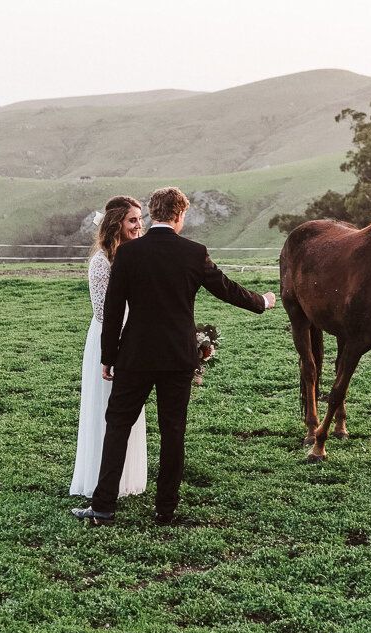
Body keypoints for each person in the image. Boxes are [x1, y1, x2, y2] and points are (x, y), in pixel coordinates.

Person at [71, 186, 276, 526]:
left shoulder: (130, 254)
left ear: (152, 214)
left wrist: (108, 356)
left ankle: (104, 506)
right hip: (178, 358)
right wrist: (262, 302)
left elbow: (112, 307)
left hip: (134, 356)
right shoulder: (194, 253)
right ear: (180, 215)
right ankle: (165, 510)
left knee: (117, 426)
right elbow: (227, 289)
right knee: (173, 431)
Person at [68, 195, 148, 499]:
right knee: (106, 411)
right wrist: (116, 350)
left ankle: (127, 479)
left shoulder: (135, 256)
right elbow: (104, 313)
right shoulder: (101, 262)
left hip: (135, 338)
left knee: (128, 412)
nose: (139, 225)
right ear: (116, 223)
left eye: (140, 219)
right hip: (109, 339)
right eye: (132, 220)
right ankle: (100, 481)